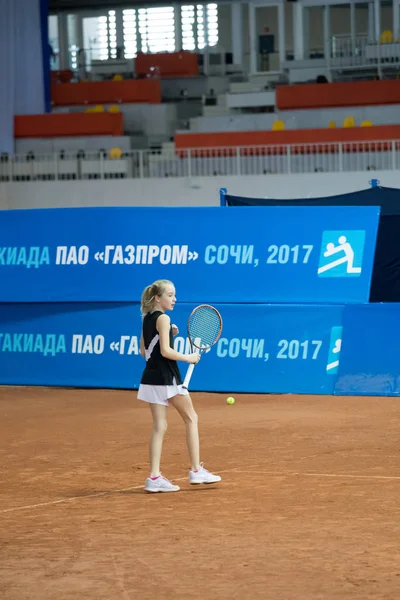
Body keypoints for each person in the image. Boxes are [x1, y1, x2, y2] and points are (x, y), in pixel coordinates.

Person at [138, 279, 222, 493]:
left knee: (160, 427)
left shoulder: (147, 318)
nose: (174, 299)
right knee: (191, 418)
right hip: (167, 378)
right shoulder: (164, 318)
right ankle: (196, 471)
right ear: (158, 298)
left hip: (150, 378)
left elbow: (144, 352)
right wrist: (189, 358)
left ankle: (154, 477)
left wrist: (169, 333)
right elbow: (165, 352)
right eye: (170, 295)